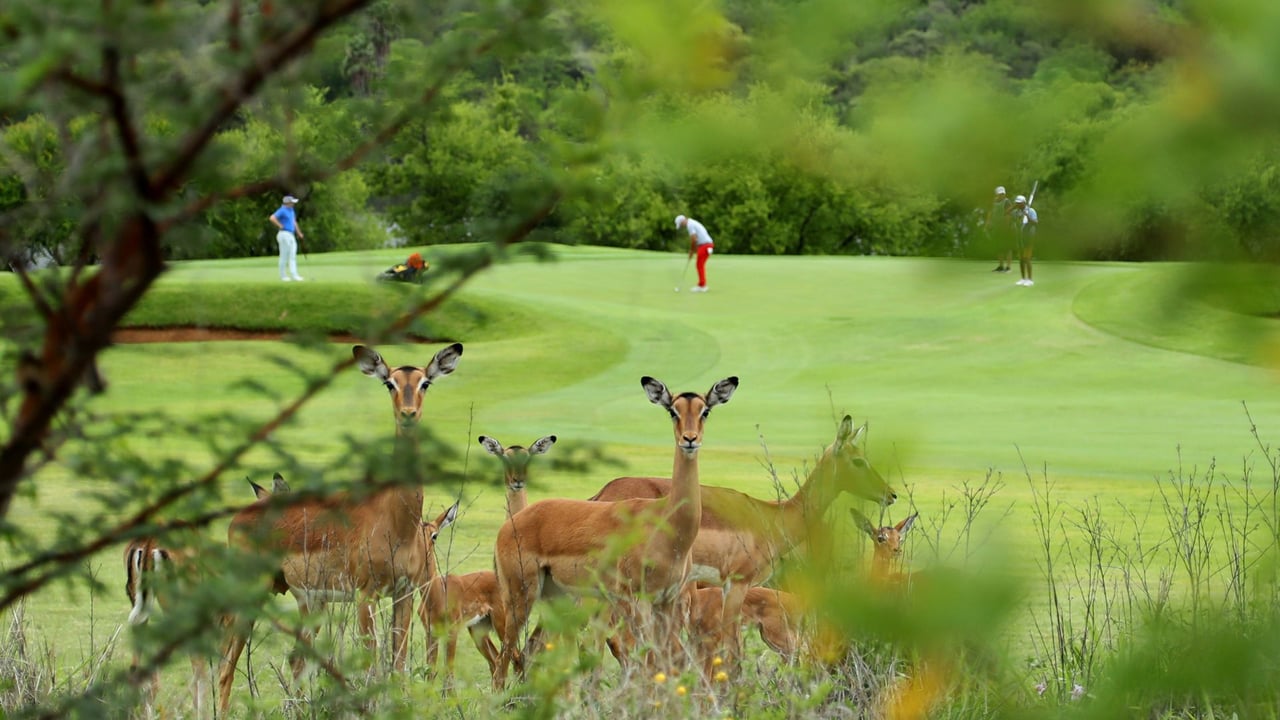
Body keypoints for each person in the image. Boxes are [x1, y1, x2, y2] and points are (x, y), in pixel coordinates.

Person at [675, 214, 714, 292]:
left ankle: (702, 286)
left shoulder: (690, 225)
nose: (681, 226)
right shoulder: (692, 222)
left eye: (680, 224)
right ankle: (702, 284)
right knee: (700, 265)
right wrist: (694, 251)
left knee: (699, 265)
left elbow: (694, 240)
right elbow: (696, 240)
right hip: (707, 245)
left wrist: (691, 251)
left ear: (682, 221)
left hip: (705, 245)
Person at [269, 195, 304, 282]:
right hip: (284, 234)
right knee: (284, 256)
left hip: (290, 234)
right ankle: (283, 276)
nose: (293, 204)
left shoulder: (291, 210)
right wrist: (280, 225)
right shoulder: (283, 210)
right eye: (292, 202)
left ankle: (294, 275)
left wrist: (299, 233)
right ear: (287, 203)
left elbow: (294, 222)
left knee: (292, 255)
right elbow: (272, 218)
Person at [1010, 194, 1038, 286]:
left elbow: (1035, 222)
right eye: (1017, 203)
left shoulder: (1031, 211)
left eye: (1019, 203)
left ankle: (1030, 279)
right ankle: (1023, 278)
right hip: (1020, 237)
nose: (1018, 205)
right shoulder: (1017, 212)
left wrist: (1027, 215)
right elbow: (1015, 220)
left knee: (1027, 258)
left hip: (1029, 236)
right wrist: (1021, 216)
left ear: (1024, 203)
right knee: (1021, 259)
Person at [986, 186, 1013, 273]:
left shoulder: (1007, 202)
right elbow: (990, 212)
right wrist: (988, 223)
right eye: (999, 194)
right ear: (997, 194)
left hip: (1006, 228)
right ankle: (1001, 266)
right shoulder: (994, 202)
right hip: (996, 227)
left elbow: (1008, 215)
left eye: (1002, 194)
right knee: (999, 247)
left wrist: (1006, 227)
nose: (1001, 195)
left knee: (1007, 248)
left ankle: (1008, 267)